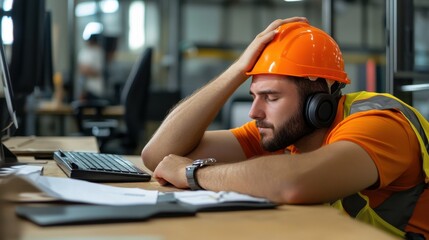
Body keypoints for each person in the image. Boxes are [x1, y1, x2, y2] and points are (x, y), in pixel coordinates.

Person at [142, 17, 429, 239]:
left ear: (318, 101)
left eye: (271, 97)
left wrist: (192, 173)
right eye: (254, 95)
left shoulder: (380, 123)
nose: (255, 112)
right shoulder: (284, 131)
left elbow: (293, 182)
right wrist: (238, 70)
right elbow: (158, 155)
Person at [77, 33, 105, 100]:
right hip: (84, 89)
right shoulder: (84, 52)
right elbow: (81, 69)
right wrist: (88, 70)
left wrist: (87, 70)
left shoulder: (99, 51)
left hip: (96, 89)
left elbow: (97, 71)